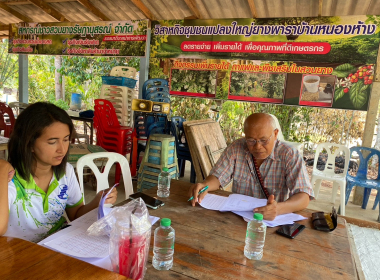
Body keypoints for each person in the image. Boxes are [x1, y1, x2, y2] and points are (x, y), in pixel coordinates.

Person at [0, 102, 117, 243]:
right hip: (24, 255)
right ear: (29, 143)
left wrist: (97, 201)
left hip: (58, 246)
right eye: (52, 142)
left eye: (66, 139)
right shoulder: (9, 179)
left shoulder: (65, 171)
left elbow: (76, 214)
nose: (62, 149)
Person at [188, 113, 314, 221]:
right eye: (251, 140)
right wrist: (205, 185)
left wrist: (278, 209)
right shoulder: (237, 148)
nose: (258, 146)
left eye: (264, 140)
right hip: (237, 217)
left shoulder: (289, 154)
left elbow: (303, 197)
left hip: (271, 221)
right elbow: (218, 176)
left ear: (275, 134)